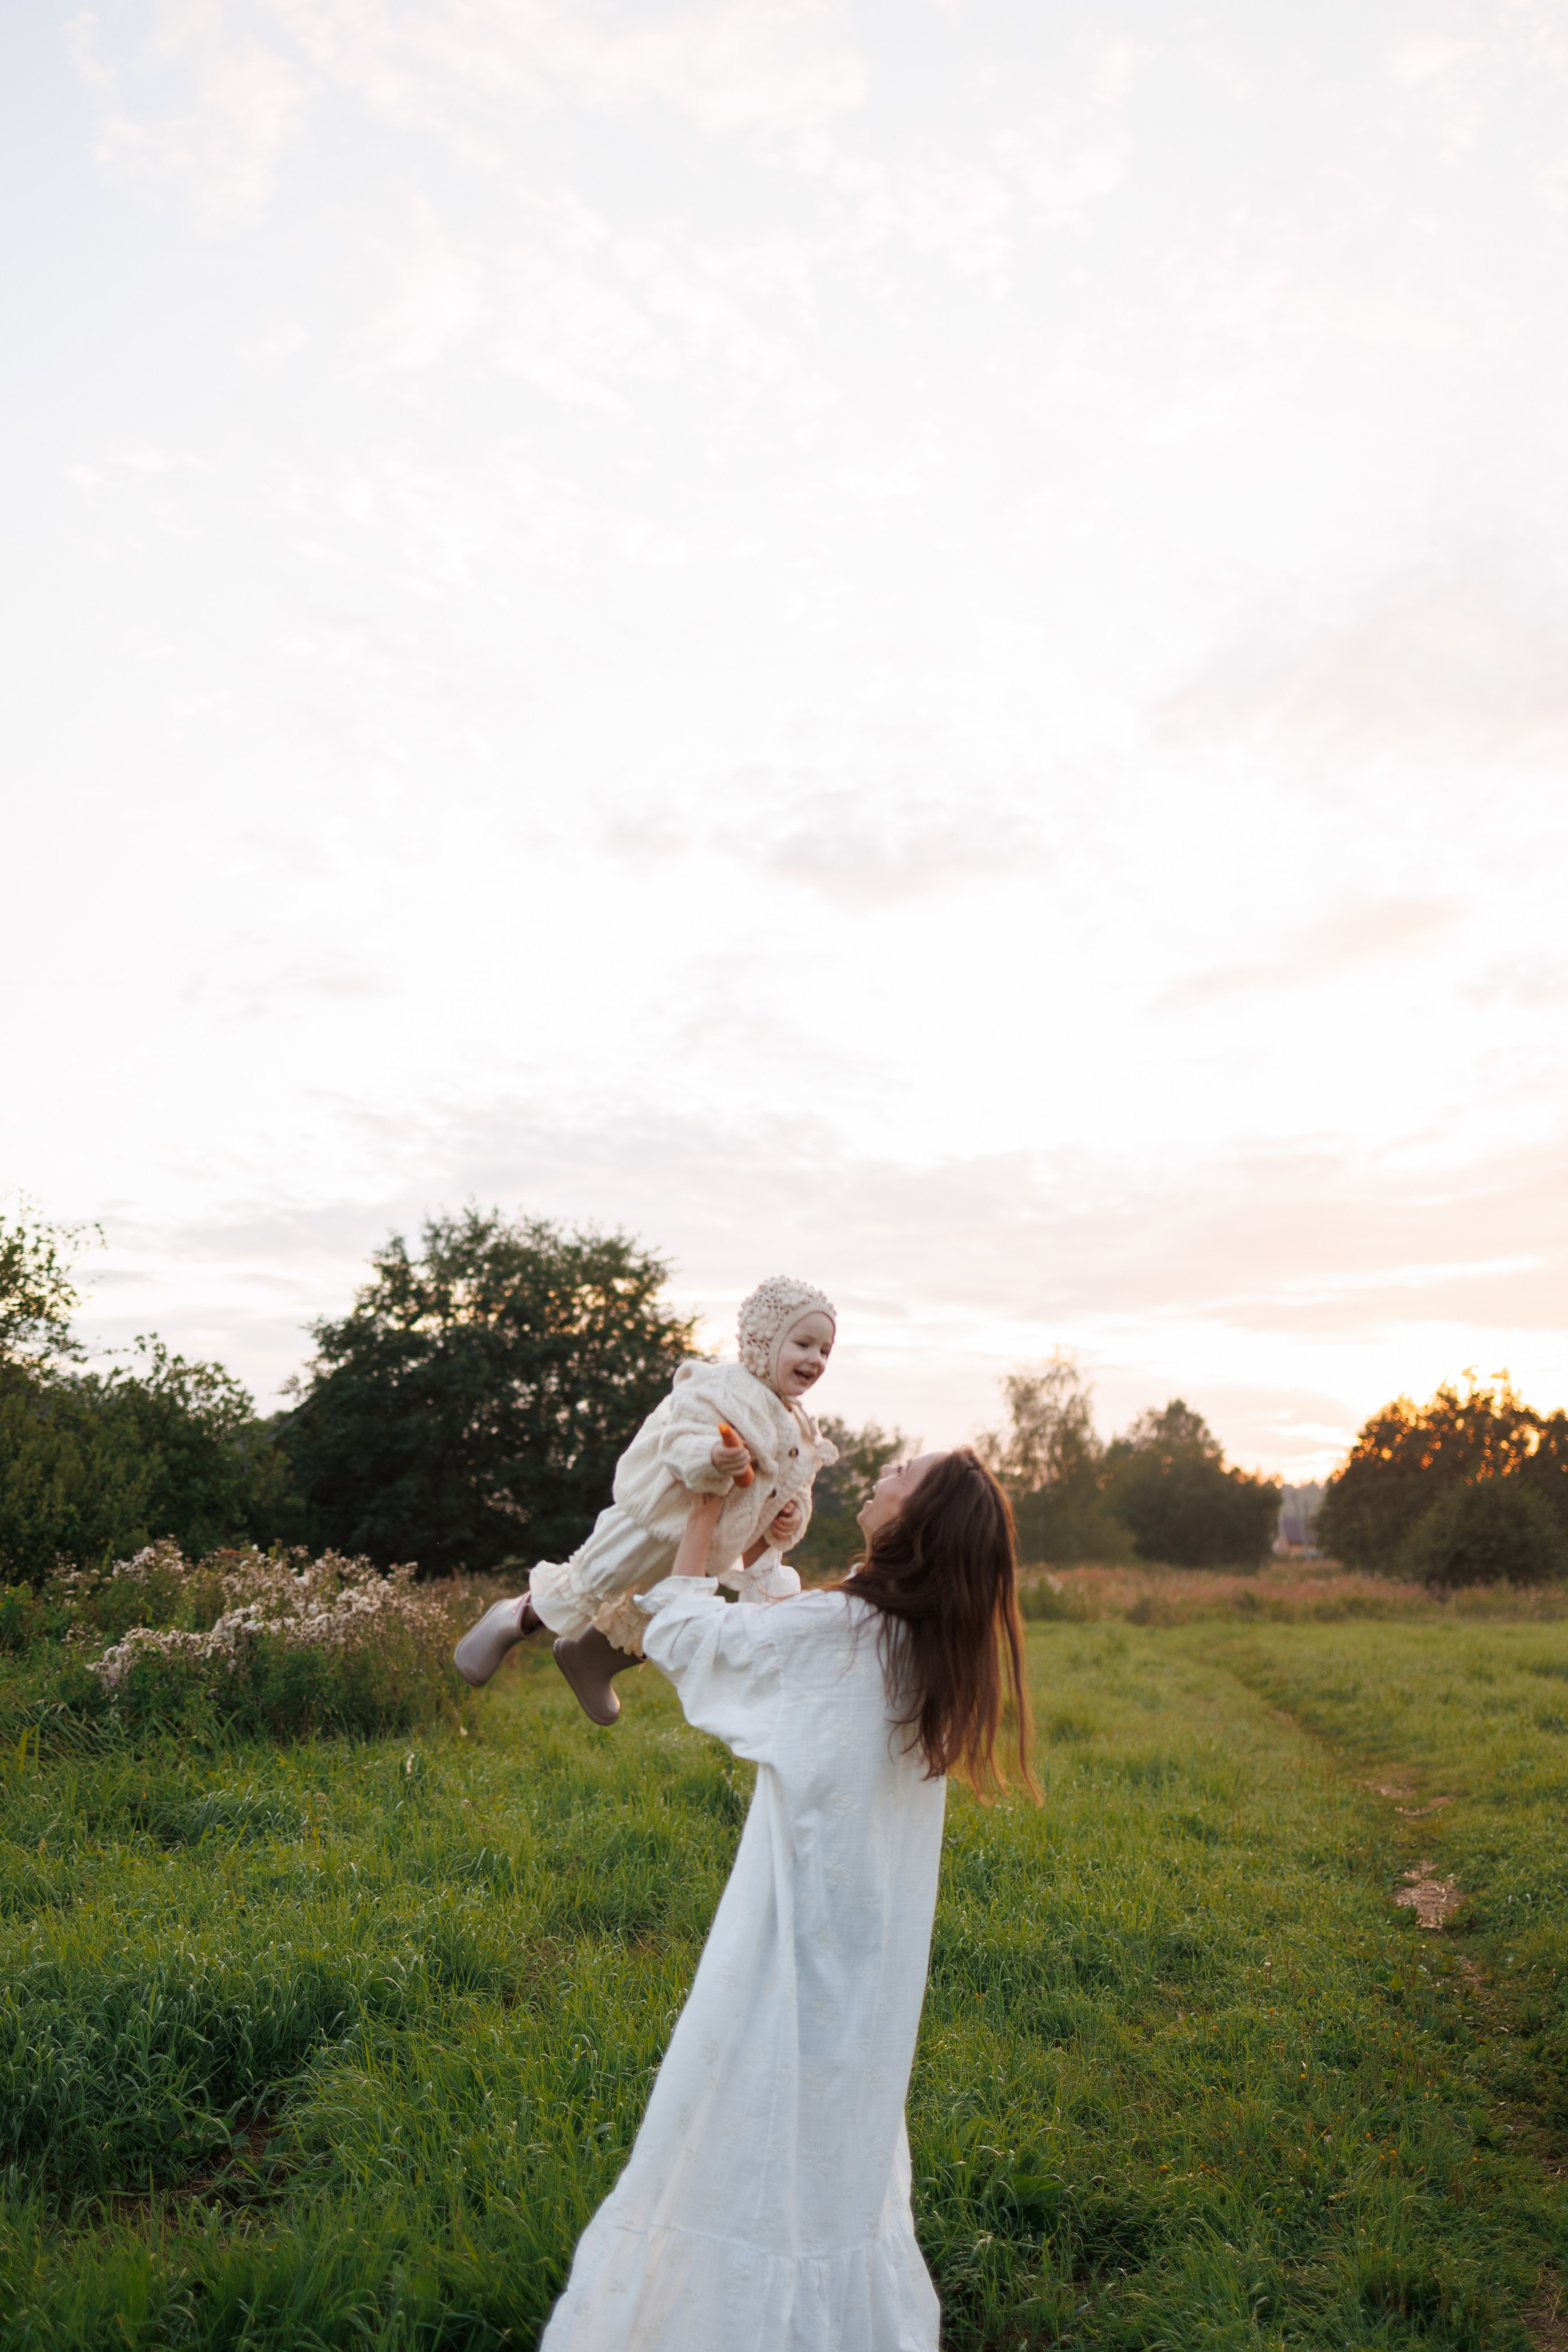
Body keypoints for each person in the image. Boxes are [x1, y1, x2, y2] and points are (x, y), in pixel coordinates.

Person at [538, 1445, 1038, 2352]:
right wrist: (760, 1559)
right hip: (868, 1939)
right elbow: (801, 1640)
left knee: (749, 2104)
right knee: (837, 2129)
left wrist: (699, 1517)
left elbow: (694, 1643)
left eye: (899, 1474)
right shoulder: (919, 1635)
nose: (883, 1474)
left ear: (917, 1517)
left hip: (800, 1924)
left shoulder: (853, 1629)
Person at [453, 1276, 839, 1724]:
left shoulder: (798, 1424)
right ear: (765, 1340)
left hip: (704, 1546)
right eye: (804, 1344)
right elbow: (679, 1441)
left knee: (659, 1616)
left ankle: (589, 1662)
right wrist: (715, 1456)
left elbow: (796, 1485)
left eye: (825, 1351)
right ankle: (514, 1618)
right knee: (595, 1581)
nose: (815, 1359)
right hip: (657, 1521)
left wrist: (791, 1516)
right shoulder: (722, 1388)